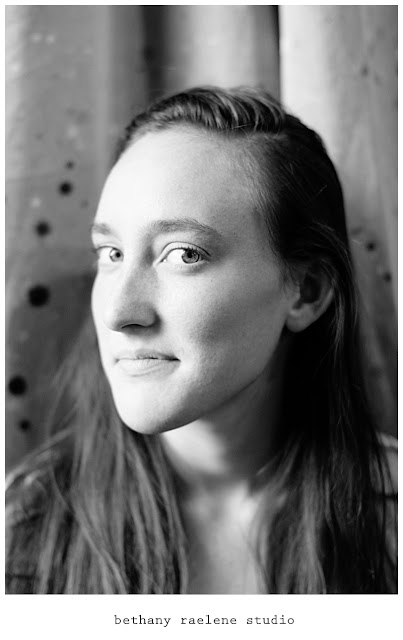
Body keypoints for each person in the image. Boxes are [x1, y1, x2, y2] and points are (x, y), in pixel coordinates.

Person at [6, 86, 397, 594]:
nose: (119, 314)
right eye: (111, 253)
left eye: (184, 254)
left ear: (307, 292)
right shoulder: (24, 524)